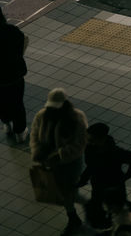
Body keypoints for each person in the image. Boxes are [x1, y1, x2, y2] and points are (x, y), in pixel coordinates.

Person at [29, 88, 88, 235]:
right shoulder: (42, 116)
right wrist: (37, 153)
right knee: (63, 191)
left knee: (68, 191)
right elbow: (34, 135)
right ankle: (76, 212)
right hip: (50, 162)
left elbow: (80, 143)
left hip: (71, 163)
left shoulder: (76, 118)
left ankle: (76, 215)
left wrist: (60, 154)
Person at [80, 122, 131, 230]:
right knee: (99, 208)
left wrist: (127, 176)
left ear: (102, 139)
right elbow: (91, 166)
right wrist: (83, 179)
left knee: (118, 210)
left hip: (114, 186)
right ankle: (105, 225)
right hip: (98, 184)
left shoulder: (115, 153)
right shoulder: (90, 149)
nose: (88, 142)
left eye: (92, 140)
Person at [0, 6, 28, 142]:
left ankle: (6, 123)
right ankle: (20, 132)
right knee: (17, 104)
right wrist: (19, 56)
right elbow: (24, 39)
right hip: (14, 76)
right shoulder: (11, 30)